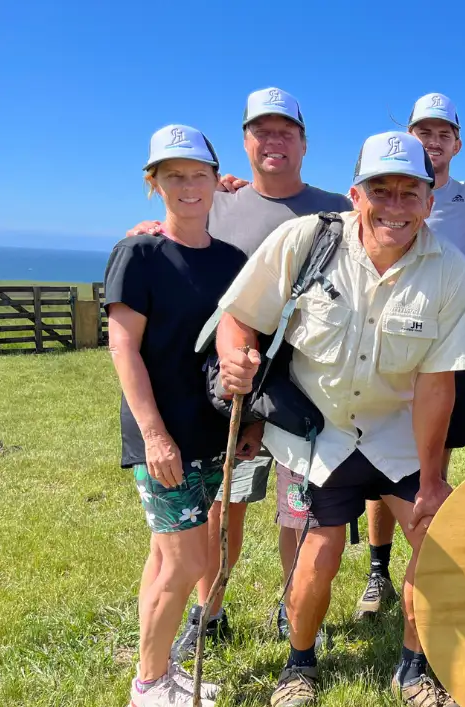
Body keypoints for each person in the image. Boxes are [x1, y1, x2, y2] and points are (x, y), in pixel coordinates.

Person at [215, 132, 465, 707]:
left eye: (409, 192)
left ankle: (414, 668)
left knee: (439, 542)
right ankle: (299, 665)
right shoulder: (306, 239)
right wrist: (235, 355)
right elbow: (239, 315)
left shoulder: (451, 273)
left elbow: (437, 384)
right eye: (380, 190)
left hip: (398, 433)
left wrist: (432, 480)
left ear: (430, 200)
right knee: (319, 552)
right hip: (318, 435)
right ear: (355, 194)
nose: (394, 206)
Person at [128, 88, 356, 655]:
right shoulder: (218, 202)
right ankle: (209, 612)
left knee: (299, 507)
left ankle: (293, 606)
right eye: (262, 131)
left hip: (307, 389)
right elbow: (181, 236)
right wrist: (148, 230)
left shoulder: (338, 208)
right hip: (229, 387)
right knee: (222, 504)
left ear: (304, 142)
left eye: (286, 131)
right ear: (245, 141)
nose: (274, 141)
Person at [109, 125, 252, 707]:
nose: (188, 186)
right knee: (188, 563)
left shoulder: (232, 262)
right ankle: (148, 686)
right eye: (173, 176)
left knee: (165, 559)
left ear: (217, 180)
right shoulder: (139, 254)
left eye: (197, 174)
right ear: (154, 183)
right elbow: (123, 348)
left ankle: (160, 671)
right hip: (161, 440)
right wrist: (153, 434)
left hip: (209, 433)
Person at [354, 92, 465, 622]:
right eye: (424, 132)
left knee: (429, 462)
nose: (434, 142)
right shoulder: (383, 188)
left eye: (444, 134)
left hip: (446, 349)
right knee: (377, 458)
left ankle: (426, 565)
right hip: (387, 345)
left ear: (458, 144)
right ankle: (378, 571)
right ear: (410, 137)